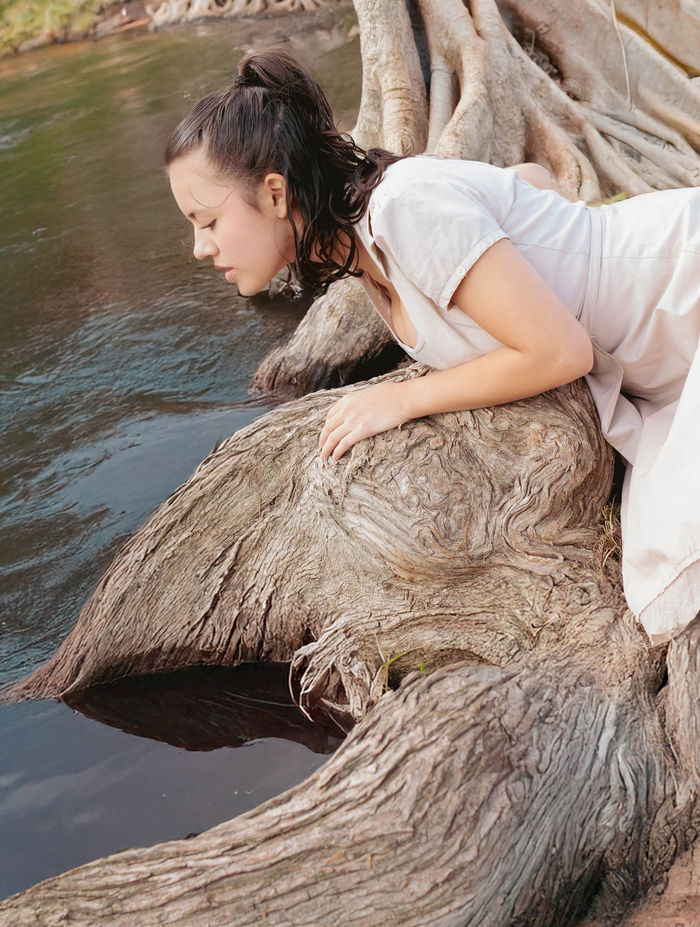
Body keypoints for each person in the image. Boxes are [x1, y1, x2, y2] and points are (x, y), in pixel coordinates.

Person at [166, 47, 700, 648]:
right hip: (659, 346)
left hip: (683, 285)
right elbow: (530, 182)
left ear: (272, 194)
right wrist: (541, 226)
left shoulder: (402, 207)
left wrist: (405, 399)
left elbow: (562, 354)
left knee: (666, 562)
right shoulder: (363, 247)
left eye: (206, 221)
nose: (199, 247)